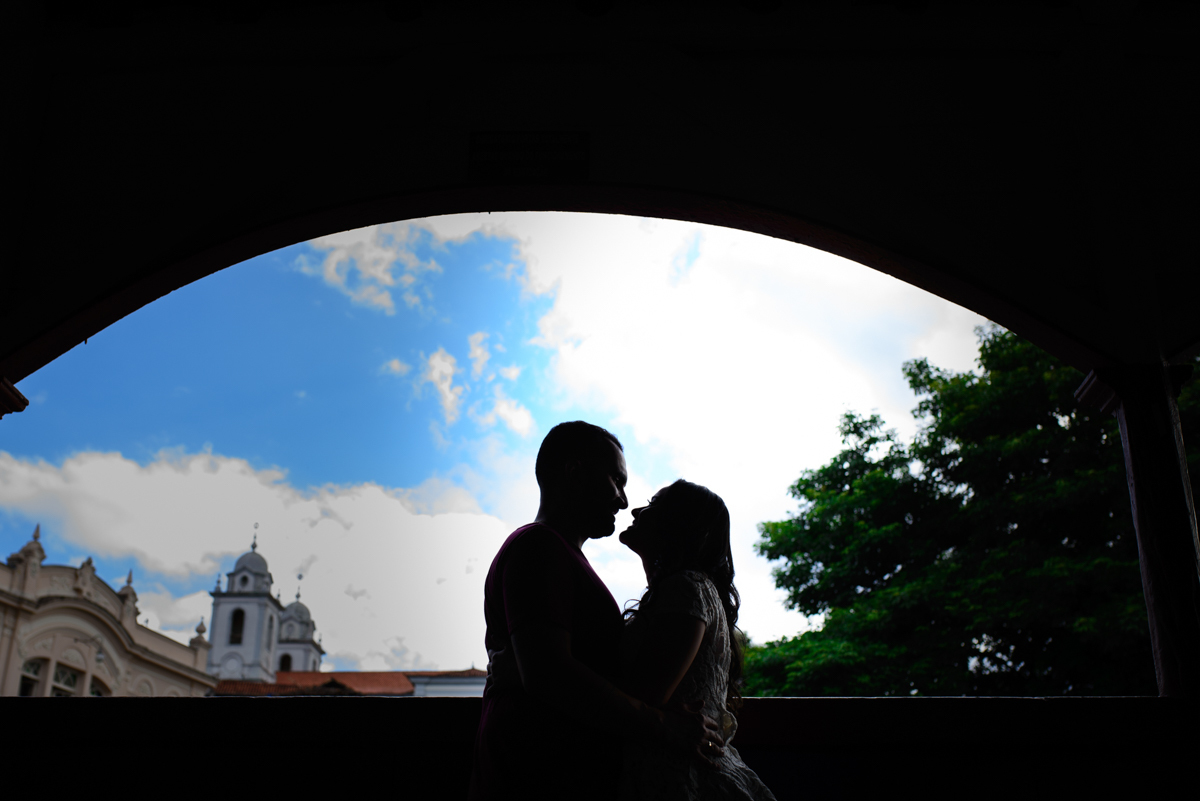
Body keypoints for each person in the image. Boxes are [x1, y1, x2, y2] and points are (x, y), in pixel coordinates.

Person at [469, 422, 724, 801]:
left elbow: (554, 670)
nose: (623, 501)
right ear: (575, 472)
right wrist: (664, 726)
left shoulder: (559, 555)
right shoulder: (539, 547)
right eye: (617, 481)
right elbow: (549, 674)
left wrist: (522, 671)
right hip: (537, 775)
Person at [618, 479, 777, 800]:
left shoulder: (686, 588)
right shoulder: (689, 590)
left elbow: (647, 696)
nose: (636, 510)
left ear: (678, 526)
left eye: (653, 505)